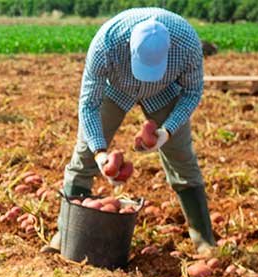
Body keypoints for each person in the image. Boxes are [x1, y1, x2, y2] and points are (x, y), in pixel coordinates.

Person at [44, 8, 216, 256]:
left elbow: (191, 93)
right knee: (83, 158)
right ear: (129, 47)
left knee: (182, 159)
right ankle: (65, 236)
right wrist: (100, 154)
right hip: (117, 88)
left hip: (165, 91)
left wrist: (166, 132)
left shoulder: (187, 44)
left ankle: (204, 242)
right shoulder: (106, 44)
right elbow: (89, 104)